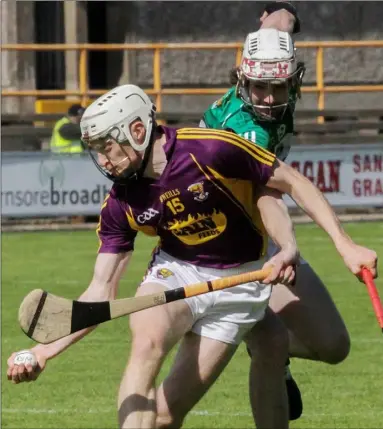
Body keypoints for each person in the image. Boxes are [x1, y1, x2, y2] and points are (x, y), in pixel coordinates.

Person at [7, 84, 377, 429]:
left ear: (137, 131)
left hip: (241, 285)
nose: (103, 160)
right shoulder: (121, 202)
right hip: (176, 273)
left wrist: (334, 245)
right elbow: (100, 292)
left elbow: (287, 183)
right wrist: (43, 353)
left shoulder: (211, 149)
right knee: (147, 339)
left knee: (166, 418)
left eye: (107, 146)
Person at [199, 2, 352, 422]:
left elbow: (281, 17)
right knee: (269, 343)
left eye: (279, 88)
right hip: (227, 240)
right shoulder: (247, 130)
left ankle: (261, 338)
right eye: (259, 88)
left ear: (295, 79)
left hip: (260, 229)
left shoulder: (276, 68)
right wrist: (289, 247)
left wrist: (281, 14)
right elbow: (268, 197)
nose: (268, 100)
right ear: (244, 80)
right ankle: (259, 338)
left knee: (335, 347)